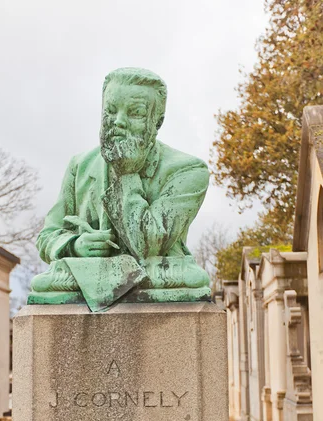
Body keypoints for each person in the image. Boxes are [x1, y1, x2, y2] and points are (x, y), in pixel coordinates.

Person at [31, 67, 210, 309]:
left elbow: (149, 246)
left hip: (161, 274)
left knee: (189, 278)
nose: (119, 122)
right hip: (88, 273)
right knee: (46, 282)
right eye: (111, 111)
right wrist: (75, 245)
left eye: (134, 113)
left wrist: (126, 173)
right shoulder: (80, 166)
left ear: (157, 122)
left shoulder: (188, 171)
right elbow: (47, 237)